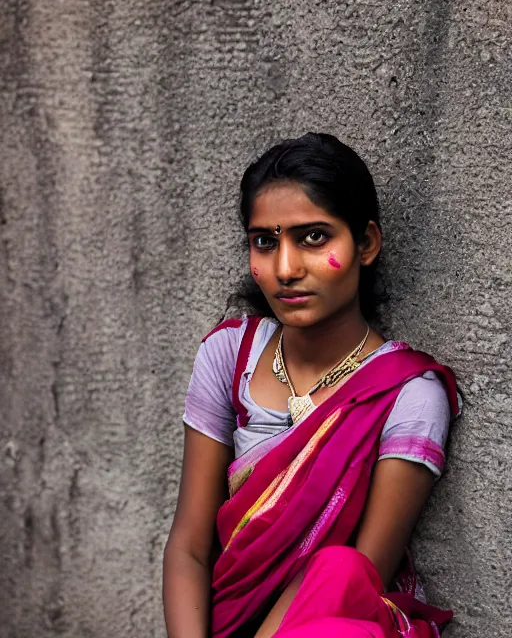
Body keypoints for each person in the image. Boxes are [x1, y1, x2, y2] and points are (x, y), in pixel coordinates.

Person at [162, 133, 460, 638]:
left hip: (322, 623)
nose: (285, 269)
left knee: (340, 573)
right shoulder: (229, 355)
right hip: (220, 623)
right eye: (265, 241)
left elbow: (354, 580)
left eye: (313, 237)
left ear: (365, 243)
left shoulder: (407, 394)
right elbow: (190, 544)